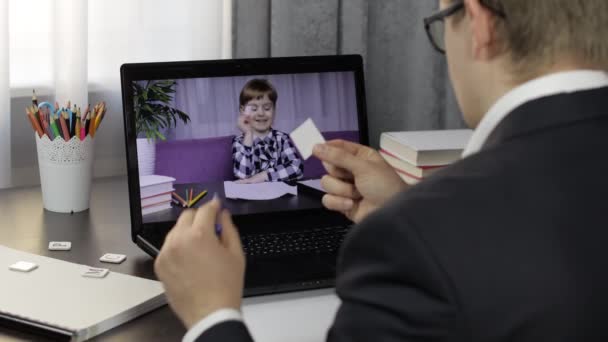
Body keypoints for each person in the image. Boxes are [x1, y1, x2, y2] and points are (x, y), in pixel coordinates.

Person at [155, 0, 608, 340]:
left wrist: (212, 315)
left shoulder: (409, 239)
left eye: (440, 25)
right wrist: (408, 209)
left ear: (480, 24)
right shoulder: (421, 227)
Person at [231, 78, 304, 183]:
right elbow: (242, 175)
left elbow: (297, 168)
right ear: (243, 111)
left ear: (274, 110)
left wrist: (264, 176)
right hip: (251, 198)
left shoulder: (282, 139)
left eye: (267, 108)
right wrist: (248, 134)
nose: (261, 113)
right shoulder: (238, 141)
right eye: (254, 109)